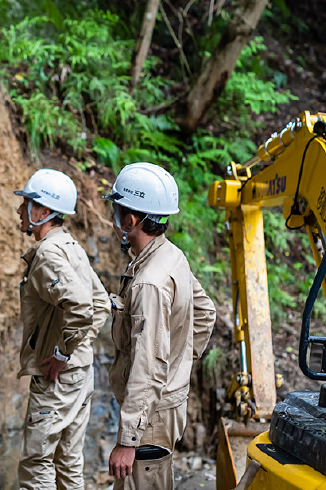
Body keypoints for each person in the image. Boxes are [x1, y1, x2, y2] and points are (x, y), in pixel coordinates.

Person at [102, 163, 216, 490]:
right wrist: (180, 366)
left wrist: (128, 440)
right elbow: (206, 310)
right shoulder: (171, 255)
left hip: (150, 418)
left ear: (130, 220)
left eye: (118, 209)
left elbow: (148, 366)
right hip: (165, 407)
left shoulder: (148, 283)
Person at [14, 169, 111, 490]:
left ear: (43, 212)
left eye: (26, 203)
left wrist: (61, 354)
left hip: (57, 377)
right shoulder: (71, 246)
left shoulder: (48, 255)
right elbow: (100, 304)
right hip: (81, 374)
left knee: (37, 462)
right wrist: (78, 350)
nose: (19, 210)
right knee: (68, 459)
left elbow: (84, 307)